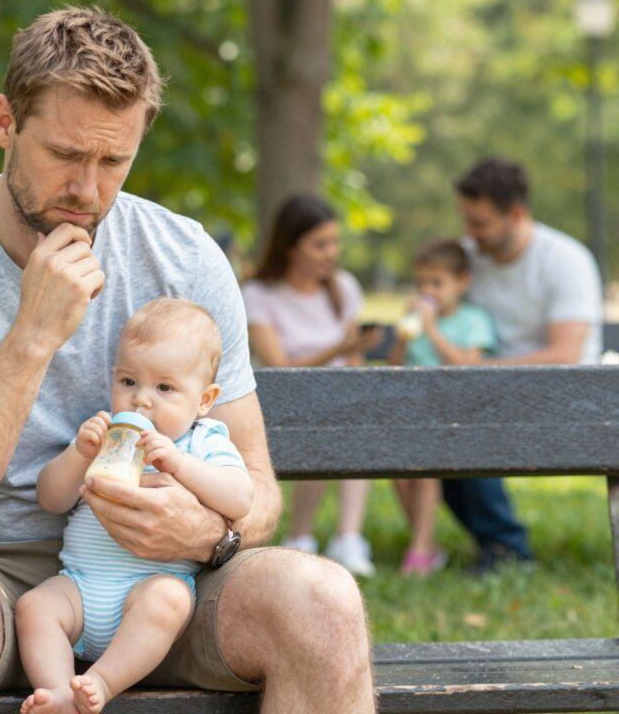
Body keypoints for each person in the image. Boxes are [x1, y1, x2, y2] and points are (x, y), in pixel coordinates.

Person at [0, 6, 374, 714]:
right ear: (6, 123)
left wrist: (210, 534)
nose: (88, 192)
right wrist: (34, 335)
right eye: (64, 155)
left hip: (164, 582)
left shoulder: (183, 258)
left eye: (114, 161)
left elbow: (260, 490)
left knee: (323, 602)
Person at [17, 298, 254, 714]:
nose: (141, 400)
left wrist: (180, 464)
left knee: (170, 599)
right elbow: (51, 499)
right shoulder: (106, 436)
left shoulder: (201, 442)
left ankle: (100, 682)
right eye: (128, 381)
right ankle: (59, 691)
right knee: (34, 606)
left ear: (204, 399)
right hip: (81, 588)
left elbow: (240, 497)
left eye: (164, 388)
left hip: (147, 593)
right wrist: (77, 453)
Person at [448, 156, 603, 575]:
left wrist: (481, 370)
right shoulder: (468, 258)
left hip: (564, 395)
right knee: (437, 418)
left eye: (479, 223)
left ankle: (506, 547)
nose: (469, 233)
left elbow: (567, 353)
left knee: (462, 421)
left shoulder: (564, 260)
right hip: (488, 390)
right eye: (467, 220)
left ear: (515, 214)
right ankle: (497, 542)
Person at [241, 194, 384, 577]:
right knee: (323, 424)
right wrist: (340, 347)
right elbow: (279, 365)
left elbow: (353, 362)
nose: (331, 253)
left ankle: (348, 538)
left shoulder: (343, 288)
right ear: (291, 246)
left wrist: (354, 363)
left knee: (351, 423)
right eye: (320, 244)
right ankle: (301, 536)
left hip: (337, 400)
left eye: (334, 242)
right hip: (280, 402)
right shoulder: (260, 294)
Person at [387, 239, 496, 576]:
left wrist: (431, 330)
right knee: (399, 473)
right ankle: (427, 542)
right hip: (412, 411)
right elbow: (393, 366)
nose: (428, 291)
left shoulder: (473, 320)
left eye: (437, 283)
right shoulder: (413, 321)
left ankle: (420, 549)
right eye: (422, 283)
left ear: (462, 282)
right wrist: (404, 338)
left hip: (454, 414)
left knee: (424, 466)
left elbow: (467, 364)